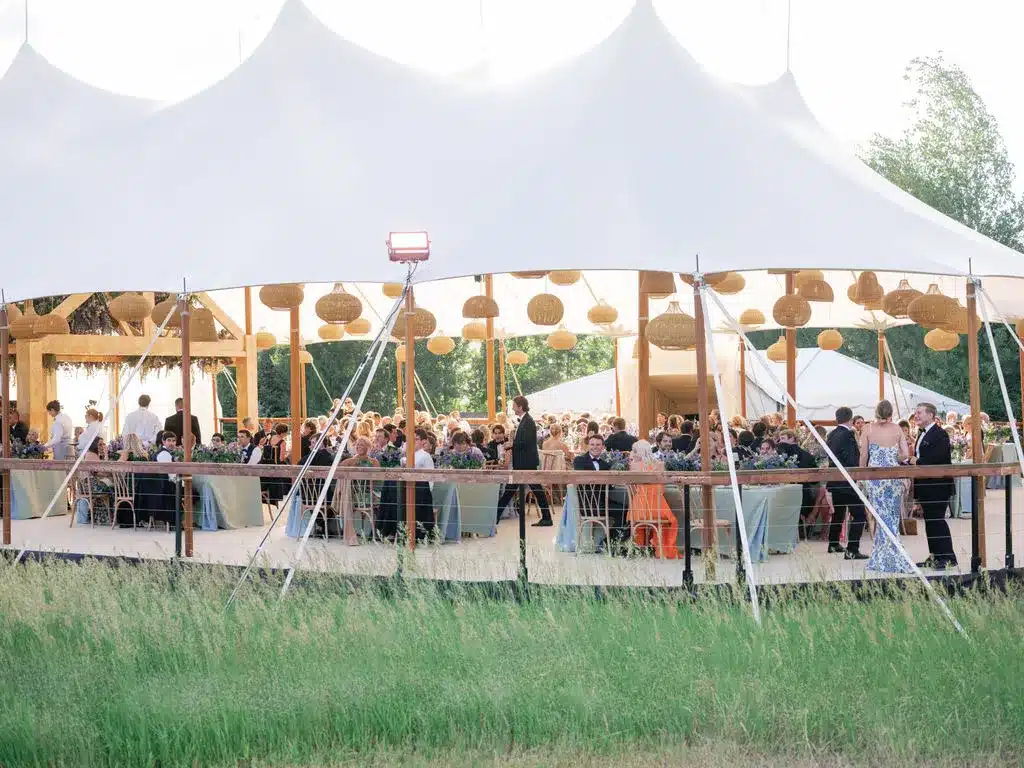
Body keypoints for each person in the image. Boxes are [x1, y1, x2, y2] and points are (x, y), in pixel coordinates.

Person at [859, 400, 913, 573]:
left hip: (875, 477)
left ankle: (881, 556)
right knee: (892, 516)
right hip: (892, 475)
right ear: (891, 413)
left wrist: (861, 475)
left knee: (879, 516)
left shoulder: (867, 429)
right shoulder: (897, 429)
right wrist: (891, 458)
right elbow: (905, 455)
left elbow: (863, 456)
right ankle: (893, 554)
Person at [911, 402, 957, 569]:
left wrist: (917, 461)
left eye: (919, 413)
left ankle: (948, 557)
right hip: (925, 484)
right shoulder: (921, 433)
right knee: (930, 521)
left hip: (938, 485)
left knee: (937, 520)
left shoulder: (940, 434)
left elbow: (937, 457)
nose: (916, 415)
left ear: (930, 415)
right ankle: (935, 555)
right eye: (915, 413)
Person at [495, 396, 553, 527]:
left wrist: (511, 445)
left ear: (520, 406)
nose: (513, 408)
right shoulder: (525, 420)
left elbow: (525, 442)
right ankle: (547, 517)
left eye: (514, 405)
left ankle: (494, 517)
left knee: (512, 491)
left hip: (525, 463)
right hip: (524, 462)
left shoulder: (528, 421)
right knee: (517, 490)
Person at [826, 407, 866, 559]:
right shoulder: (848, 434)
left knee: (839, 512)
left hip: (834, 480)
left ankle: (833, 543)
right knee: (859, 514)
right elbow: (851, 459)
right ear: (850, 420)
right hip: (847, 481)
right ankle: (852, 549)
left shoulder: (832, 434)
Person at [627, 440, 678, 559]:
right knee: (670, 520)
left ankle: (640, 547)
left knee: (640, 522)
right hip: (657, 505)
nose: (632, 454)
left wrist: (632, 460)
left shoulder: (634, 465)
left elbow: (633, 486)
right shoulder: (660, 464)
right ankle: (662, 549)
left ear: (641, 451)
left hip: (640, 507)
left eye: (634, 451)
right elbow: (662, 487)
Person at [777, 429, 820, 539]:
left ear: (792, 438)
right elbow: (815, 479)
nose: (780, 441)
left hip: (789, 494)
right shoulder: (807, 455)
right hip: (805, 493)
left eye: (783, 438)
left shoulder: (782, 452)